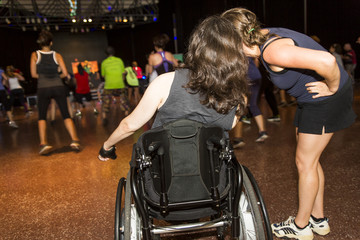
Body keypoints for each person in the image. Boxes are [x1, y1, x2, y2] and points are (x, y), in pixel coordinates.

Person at [222, 8, 356, 240]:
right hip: (309, 99)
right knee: (308, 161)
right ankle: (318, 219)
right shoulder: (263, 35)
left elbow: (327, 60)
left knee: (305, 163)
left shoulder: (273, 51)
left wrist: (331, 87)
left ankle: (301, 226)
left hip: (323, 101)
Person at [98, 15, 248, 162]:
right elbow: (229, 125)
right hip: (212, 170)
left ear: (196, 46)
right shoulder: (238, 92)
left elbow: (129, 126)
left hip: (166, 167)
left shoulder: (163, 83)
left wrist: (107, 146)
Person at [30, 30, 80, 155]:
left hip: (43, 87)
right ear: (51, 43)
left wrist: (44, 76)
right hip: (58, 86)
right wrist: (56, 74)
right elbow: (65, 73)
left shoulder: (35, 55)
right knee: (65, 114)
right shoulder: (57, 55)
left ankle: (43, 143)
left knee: (42, 116)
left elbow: (33, 74)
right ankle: (75, 141)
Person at [232, 57, 268, 148]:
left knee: (240, 105)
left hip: (243, 77)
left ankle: (238, 138)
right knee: (253, 104)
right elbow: (256, 61)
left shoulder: (235, 45)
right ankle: (262, 131)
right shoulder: (248, 45)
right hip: (256, 75)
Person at [100, 46, 130, 125]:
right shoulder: (119, 60)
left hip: (109, 85)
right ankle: (126, 115)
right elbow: (123, 72)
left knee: (106, 101)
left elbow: (103, 76)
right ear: (114, 52)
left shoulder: (104, 62)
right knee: (124, 99)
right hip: (119, 84)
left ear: (106, 53)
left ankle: (104, 117)